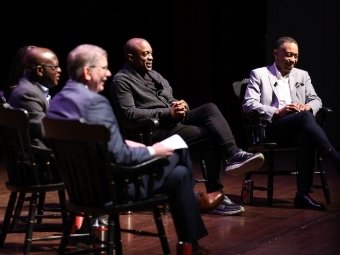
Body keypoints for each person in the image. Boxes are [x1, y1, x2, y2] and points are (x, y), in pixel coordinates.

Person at [47, 44, 225, 255]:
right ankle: (190, 239)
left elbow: (93, 144)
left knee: (178, 174)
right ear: (87, 72)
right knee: (177, 157)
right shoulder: (96, 104)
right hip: (110, 190)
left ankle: (191, 240)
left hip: (80, 188)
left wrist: (125, 143)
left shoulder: (58, 101)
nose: (108, 73)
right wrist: (153, 151)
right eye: (103, 68)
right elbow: (121, 158)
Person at [110, 38, 265, 216]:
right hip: (153, 131)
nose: (151, 57)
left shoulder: (155, 75)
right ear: (130, 58)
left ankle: (233, 154)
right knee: (209, 137)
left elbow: (170, 100)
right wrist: (168, 112)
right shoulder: (121, 80)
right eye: (145, 54)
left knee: (209, 108)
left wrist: (180, 105)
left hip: (172, 122)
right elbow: (129, 115)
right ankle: (217, 195)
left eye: (151, 53)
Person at [242, 36, 340, 210]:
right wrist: (276, 111)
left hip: (297, 127)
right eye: (288, 55)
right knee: (304, 118)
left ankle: (302, 194)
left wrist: (307, 107)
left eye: (296, 56)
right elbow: (248, 104)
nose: (292, 60)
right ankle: (333, 155)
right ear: (276, 54)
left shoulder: (302, 75)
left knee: (306, 131)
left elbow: (315, 100)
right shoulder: (259, 74)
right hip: (272, 127)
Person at [8, 46, 61, 148]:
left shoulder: (31, 89)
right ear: (39, 70)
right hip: (43, 158)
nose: (59, 70)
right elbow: (45, 132)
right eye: (54, 67)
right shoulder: (28, 94)